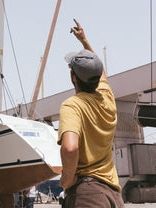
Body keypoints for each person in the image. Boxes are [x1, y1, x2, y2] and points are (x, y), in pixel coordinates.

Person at [57, 19, 124, 208]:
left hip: (88, 194)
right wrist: (84, 41)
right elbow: (100, 71)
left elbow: (70, 148)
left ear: (73, 78)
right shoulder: (107, 96)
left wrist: (67, 180)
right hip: (113, 194)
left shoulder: (73, 105)